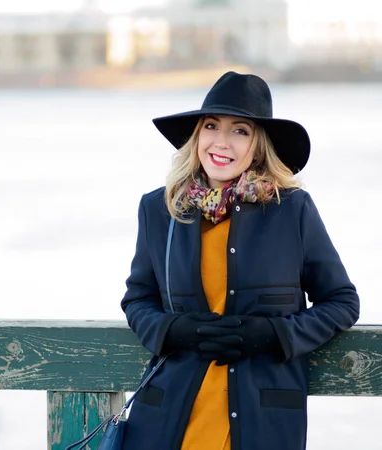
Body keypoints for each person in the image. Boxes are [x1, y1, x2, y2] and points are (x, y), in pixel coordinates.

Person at [119, 71, 359, 450]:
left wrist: (275, 336)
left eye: (240, 130)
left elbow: (342, 302)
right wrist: (172, 331)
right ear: (197, 135)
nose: (221, 141)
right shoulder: (159, 208)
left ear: (258, 145)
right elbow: (137, 300)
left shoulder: (291, 210)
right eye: (211, 125)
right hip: (168, 421)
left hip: (262, 422)